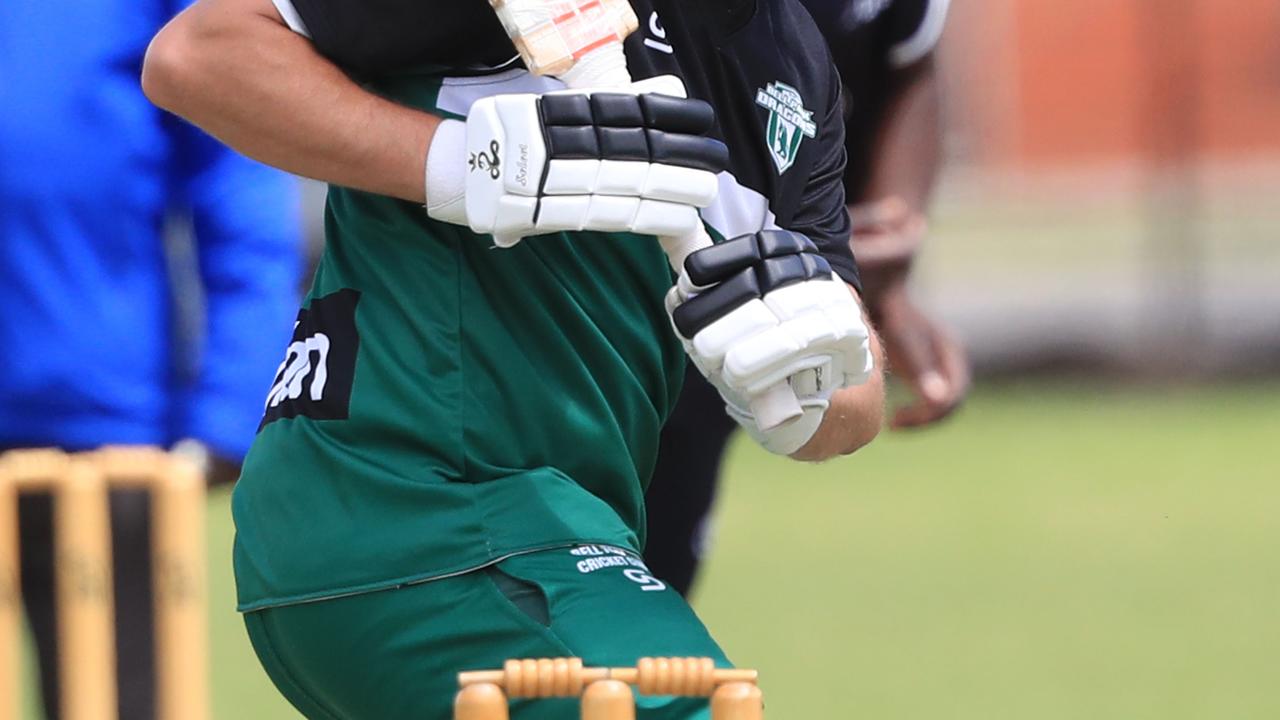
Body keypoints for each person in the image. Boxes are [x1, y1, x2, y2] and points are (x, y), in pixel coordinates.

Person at [142, 0, 885, 716]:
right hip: (414, 508)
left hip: (546, 530)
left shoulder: (795, 67)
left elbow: (855, 401)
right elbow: (197, 56)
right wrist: (463, 166)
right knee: (695, 706)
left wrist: (801, 371)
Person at [0, 2, 302, 717]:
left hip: (101, 437)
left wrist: (228, 413)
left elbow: (243, 194)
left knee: (119, 700)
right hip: (95, 411)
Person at [645, 0, 971, 597]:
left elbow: (911, 61)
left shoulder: (798, 59)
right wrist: (451, 170)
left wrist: (878, 287)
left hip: (725, 303)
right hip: (522, 306)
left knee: (650, 595)